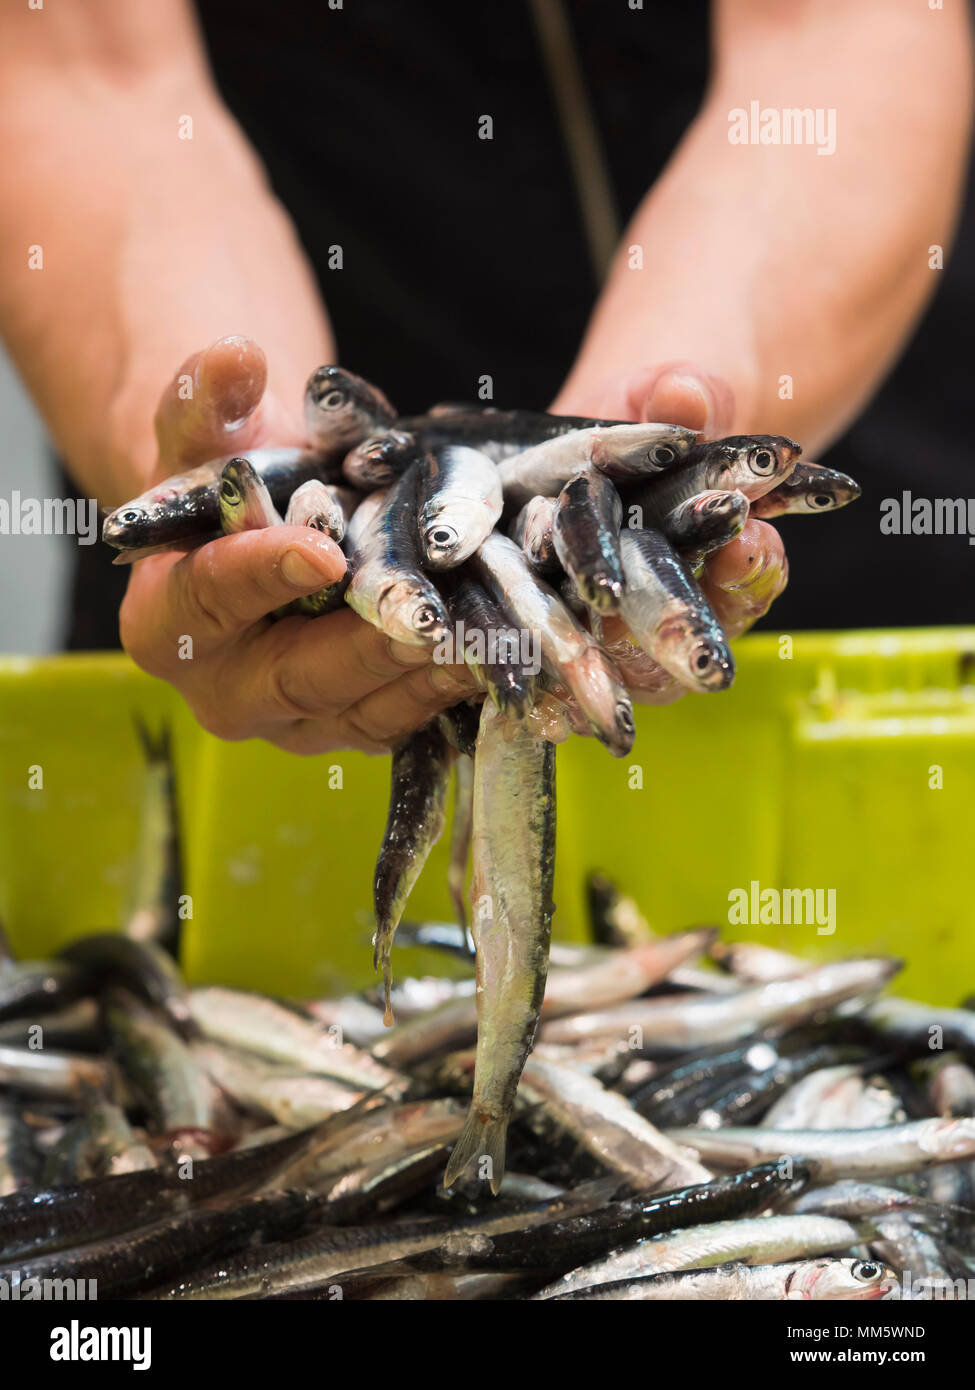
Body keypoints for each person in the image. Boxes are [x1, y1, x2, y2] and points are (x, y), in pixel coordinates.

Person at [0, 1, 971, 754]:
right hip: (273, 642)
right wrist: (209, 437)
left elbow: (839, 34)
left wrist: (664, 426)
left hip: (858, 540)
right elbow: (90, 75)